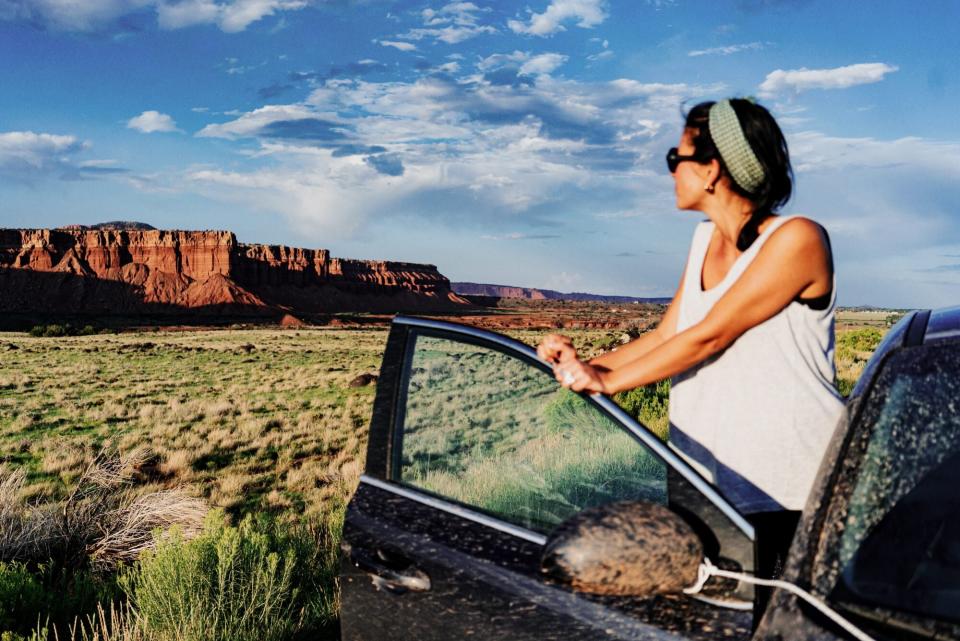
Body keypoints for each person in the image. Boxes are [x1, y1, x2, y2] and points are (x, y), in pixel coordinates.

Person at [537, 98, 843, 578]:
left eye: (674, 159)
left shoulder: (798, 239)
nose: (671, 171)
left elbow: (710, 336)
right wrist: (584, 367)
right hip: (708, 482)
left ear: (712, 170)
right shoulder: (703, 240)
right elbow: (668, 335)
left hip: (790, 488)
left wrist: (605, 382)